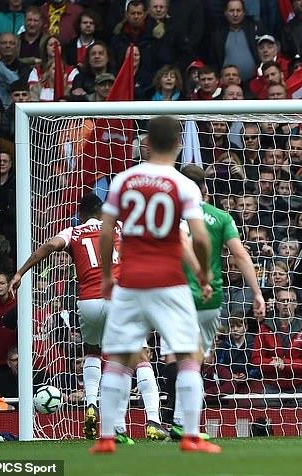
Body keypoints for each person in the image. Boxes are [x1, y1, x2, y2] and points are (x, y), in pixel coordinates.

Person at [91, 116, 218, 454]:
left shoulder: (124, 180)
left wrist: (107, 276)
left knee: (118, 357)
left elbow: (107, 232)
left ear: (146, 143)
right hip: (170, 281)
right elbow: (199, 237)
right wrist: (203, 273)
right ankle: (190, 435)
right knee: (189, 355)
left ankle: (107, 437)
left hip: (130, 280)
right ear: (178, 143)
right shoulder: (184, 185)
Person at [9, 193, 168, 443]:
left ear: (81, 214)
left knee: (92, 351)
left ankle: (92, 405)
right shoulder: (119, 227)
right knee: (140, 357)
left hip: (89, 301)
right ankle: (153, 422)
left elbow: (50, 246)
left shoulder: (73, 231)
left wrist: (20, 273)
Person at [162, 164, 266, 440]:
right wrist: (257, 292)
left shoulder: (167, 216)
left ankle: (174, 419)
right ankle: (186, 425)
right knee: (195, 360)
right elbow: (240, 255)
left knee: (173, 357)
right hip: (210, 297)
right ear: (205, 189)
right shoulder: (221, 217)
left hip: (174, 295)